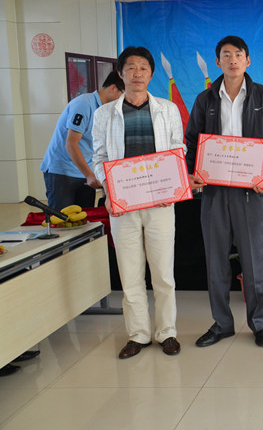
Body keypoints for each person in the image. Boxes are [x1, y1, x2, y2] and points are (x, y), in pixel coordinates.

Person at [186, 35, 263, 349]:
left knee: (255, 261)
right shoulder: (205, 99)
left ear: (248, 60)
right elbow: (193, 141)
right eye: (226, 55)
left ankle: (260, 324)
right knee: (216, 262)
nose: (232, 60)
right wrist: (193, 172)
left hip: (250, 193)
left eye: (238, 54)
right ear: (217, 62)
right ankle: (222, 324)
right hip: (214, 192)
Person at [92, 46, 184, 359]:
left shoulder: (168, 109)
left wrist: (171, 185)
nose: (137, 73)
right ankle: (138, 335)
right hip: (123, 205)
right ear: (120, 73)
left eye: (143, 67)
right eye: (130, 67)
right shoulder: (104, 114)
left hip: (160, 203)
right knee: (130, 273)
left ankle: (166, 332)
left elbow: (178, 149)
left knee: (163, 273)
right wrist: (110, 190)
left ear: (151, 73)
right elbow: (99, 157)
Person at [41, 70, 124, 210]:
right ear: (113, 88)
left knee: (85, 217)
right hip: (63, 172)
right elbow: (71, 144)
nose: (124, 100)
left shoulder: (107, 111)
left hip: (86, 172)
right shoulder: (84, 104)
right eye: (123, 95)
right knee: (62, 218)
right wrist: (89, 175)